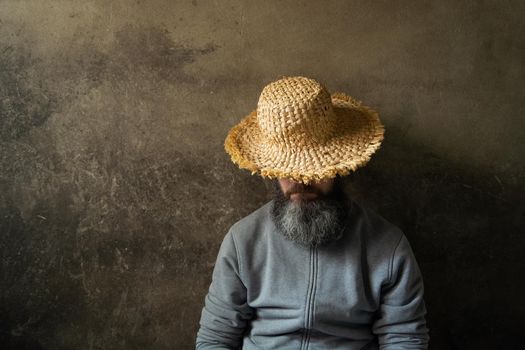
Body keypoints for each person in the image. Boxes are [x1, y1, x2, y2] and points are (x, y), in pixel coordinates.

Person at [196, 76, 429, 349]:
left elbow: (405, 339)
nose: (301, 181)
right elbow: (215, 338)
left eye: (313, 170)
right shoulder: (242, 240)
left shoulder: (388, 246)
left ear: (339, 168)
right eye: (289, 172)